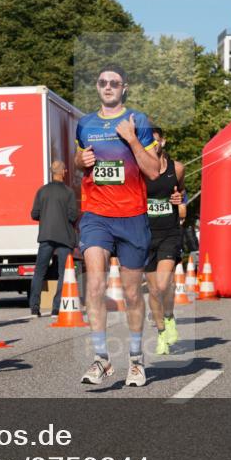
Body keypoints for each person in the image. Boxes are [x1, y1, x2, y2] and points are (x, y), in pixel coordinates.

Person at [74, 64, 160, 387]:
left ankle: (136, 361)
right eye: (102, 82)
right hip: (96, 214)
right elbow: (78, 159)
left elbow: (153, 171)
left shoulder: (138, 121)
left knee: (132, 293)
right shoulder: (85, 124)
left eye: (114, 82)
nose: (108, 86)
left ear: (124, 88)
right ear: (97, 87)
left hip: (132, 216)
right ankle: (101, 359)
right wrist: (79, 161)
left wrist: (132, 140)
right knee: (95, 285)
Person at [145, 126, 185, 355]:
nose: (152, 145)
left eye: (156, 141)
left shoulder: (176, 168)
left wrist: (179, 199)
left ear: (163, 142)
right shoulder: (139, 170)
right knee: (153, 290)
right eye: (148, 142)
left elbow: (181, 193)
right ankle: (161, 332)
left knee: (162, 285)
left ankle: (169, 317)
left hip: (169, 233)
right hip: (145, 235)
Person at [27, 161, 79, 317]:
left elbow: (34, 214)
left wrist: (47, 216)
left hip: (46, 236)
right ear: (63, 172)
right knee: (63, 273)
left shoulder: (42, 191)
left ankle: (34, 308)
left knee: (39, 272)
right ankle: (56, 308)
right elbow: (73, 216)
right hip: (64, 237)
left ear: (51, 172)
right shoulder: (69, 192)